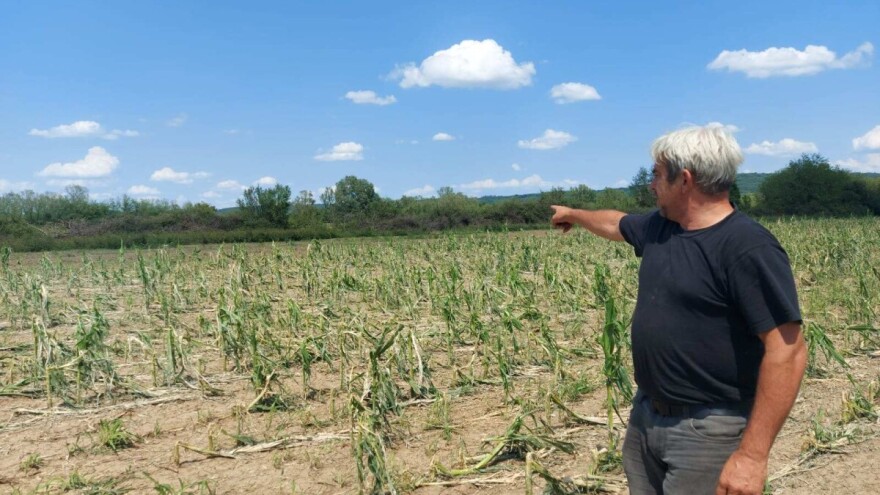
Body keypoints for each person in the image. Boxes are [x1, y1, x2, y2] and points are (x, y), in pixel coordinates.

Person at [550, 125, 806, 495]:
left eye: (656, 174)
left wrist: (752, 457)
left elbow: (788, 350)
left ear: (684, 180)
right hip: (647, 417)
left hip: (708, 431)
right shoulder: (662, 228)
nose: (651, 184)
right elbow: (615, 223)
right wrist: (573, 213)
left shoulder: (746, 247)